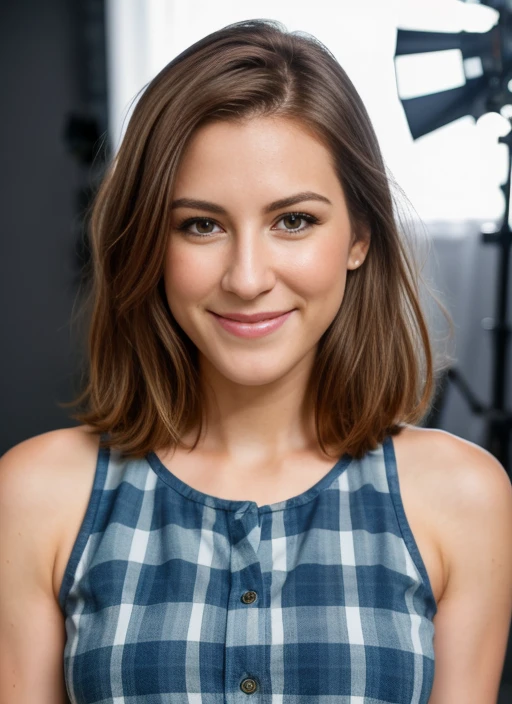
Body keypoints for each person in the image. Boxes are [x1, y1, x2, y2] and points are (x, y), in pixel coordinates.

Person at [1, 18, 511, 704]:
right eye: (200, 225)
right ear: (150, 242)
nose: (246, 277)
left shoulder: (465, 500)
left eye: (293, 221)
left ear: (359, 235)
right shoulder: (36, 496)